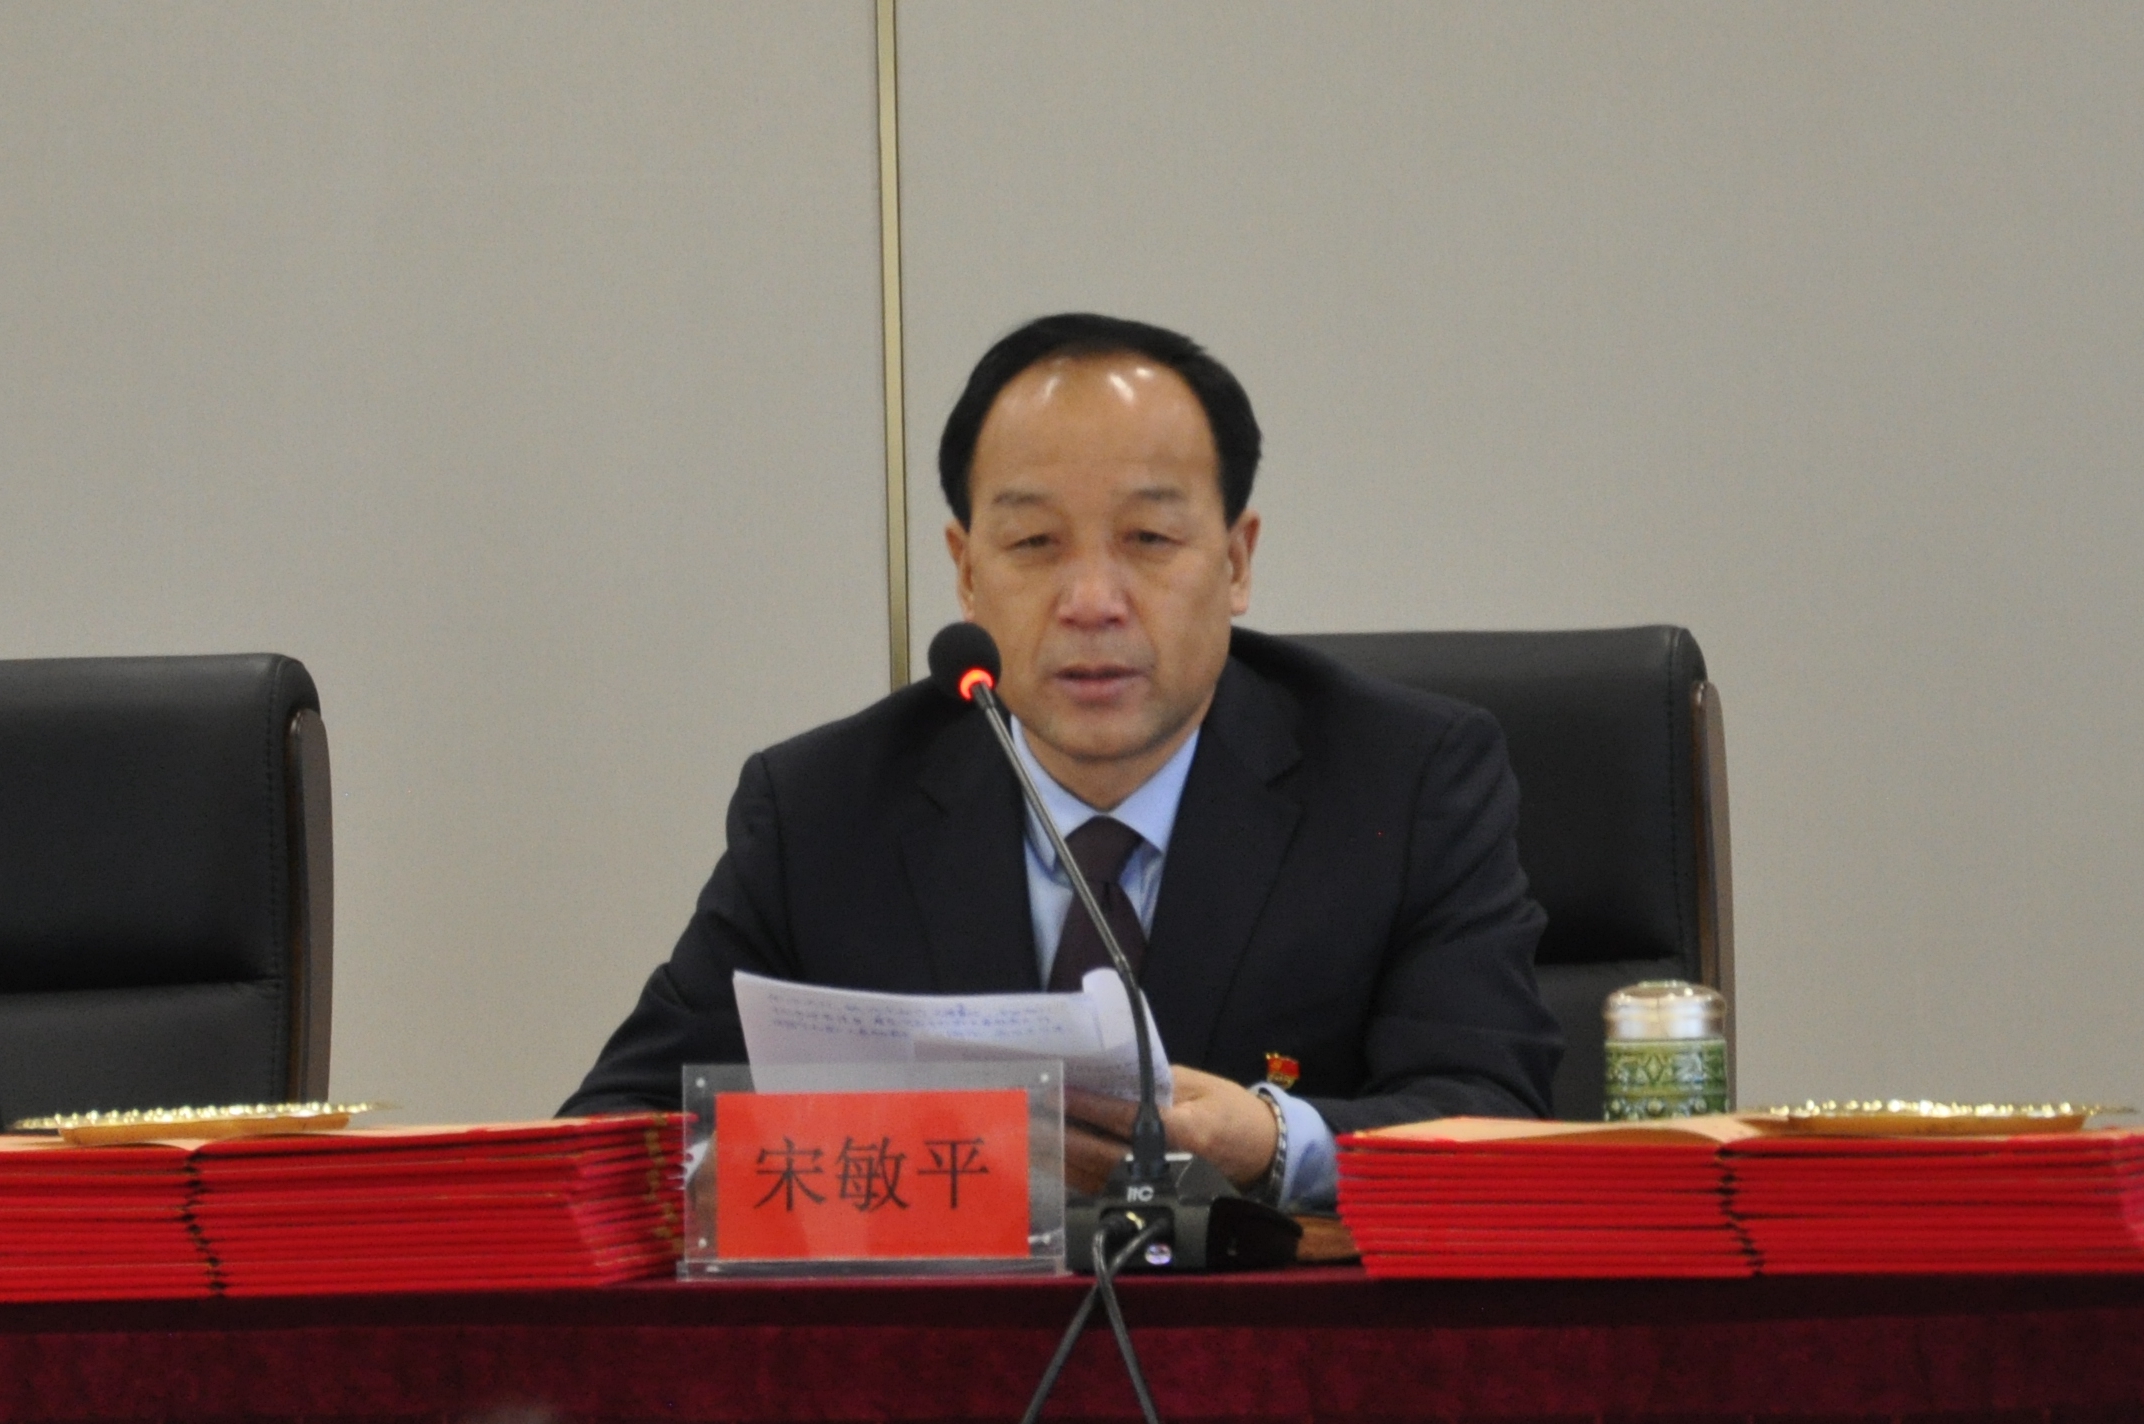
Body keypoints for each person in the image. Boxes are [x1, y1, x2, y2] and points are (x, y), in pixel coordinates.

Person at [562, 313, 1561, 1207]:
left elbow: (1492, 1118)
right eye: (1035, 541)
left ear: (1236, 560)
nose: (1090, 600)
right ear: (965, 571)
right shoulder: (820, 811)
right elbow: (612, 1136)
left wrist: (1270, 1142)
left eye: (1149, 537)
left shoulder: (1406, 780)